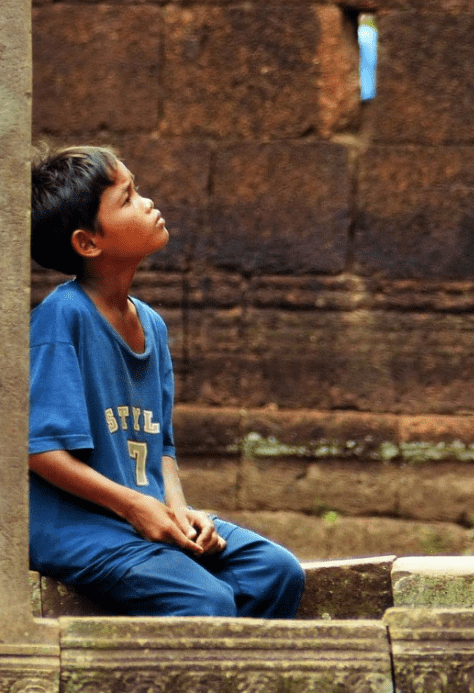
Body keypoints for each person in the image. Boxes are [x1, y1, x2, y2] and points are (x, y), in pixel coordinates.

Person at [28, 145, 305, 617]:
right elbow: (40, 450)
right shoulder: (63, 317)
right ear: (88, 243)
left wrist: (178, 509)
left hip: (145, 517)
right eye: (128, 197)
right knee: (206, 601)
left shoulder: (152, 324)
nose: (148, 203)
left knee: (275, 572)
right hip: (79, 528)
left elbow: (163, 449)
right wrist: (136, 508)